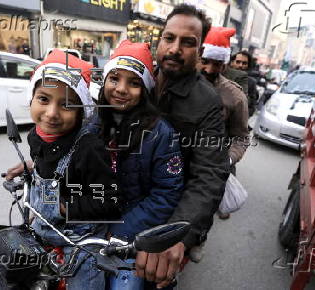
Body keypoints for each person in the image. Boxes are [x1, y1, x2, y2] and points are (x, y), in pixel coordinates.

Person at [6, 49, 122, 289]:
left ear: (81, 111)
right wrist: (31, 167)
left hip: (79, 240)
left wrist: (64, 206)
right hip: (43, 227)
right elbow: (47, 166)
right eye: (44, 99)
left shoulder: (89, 149)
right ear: (32, 99)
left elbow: (109, 202)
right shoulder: (36, 136)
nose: (51, 114)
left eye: (66, 105)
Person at [135, 4, 230, 289]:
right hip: (125, 199)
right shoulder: (138, 80)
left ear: (200, 51)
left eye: (188, 43)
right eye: (169, 38)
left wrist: (177, 235)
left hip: (170, 212)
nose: (176, 49)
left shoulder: (208, 102)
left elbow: (210, 173)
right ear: (159, 41)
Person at [87, 40, 184, 290]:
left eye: (134, 83)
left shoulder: (161, 134)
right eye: (115, 79)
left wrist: (122, 230)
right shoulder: (92, 121)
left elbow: (166, 193)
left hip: (134, 236)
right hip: (92, 229)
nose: (121, 89)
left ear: (146, 91)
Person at [198, 27, 249, 219]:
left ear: (225, 64)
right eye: (204, 62)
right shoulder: (177, 84)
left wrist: (226, 160)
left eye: (217, 64)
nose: (209, 69)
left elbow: (242, 138)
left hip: (208, 173)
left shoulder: (235, 96)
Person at [230, 50, 258, 116]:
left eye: (244, 63)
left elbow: (252, 107)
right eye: (238, 62)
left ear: (248, 66)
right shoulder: (224, 76)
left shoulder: (251, 83)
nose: (240, 65)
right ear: (232, 63)